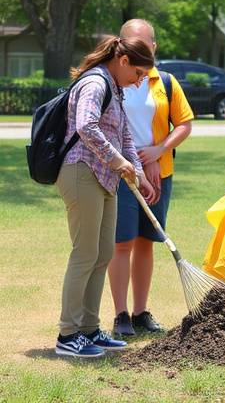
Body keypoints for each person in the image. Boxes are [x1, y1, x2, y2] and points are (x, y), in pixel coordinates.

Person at [55, 36, 157, 358]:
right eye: (139, 73)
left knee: (102, 255)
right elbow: (86, 125)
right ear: (124, 61)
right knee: (85, 254)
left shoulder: (116, 88)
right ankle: (68, 334)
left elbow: (124, 135)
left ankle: (88, 328)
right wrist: (119, 162)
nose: (140, 82)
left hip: (106, 179)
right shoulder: (96, 82)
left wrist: (138, 174)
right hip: (81, 172)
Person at [108, 19, 194, 336]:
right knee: (122, 243)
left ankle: (141, 312)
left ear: (154, 48)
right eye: (132, 44)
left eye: (145, 46)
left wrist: (159, 150)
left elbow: (184, 124)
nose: (139, 51)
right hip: (121, 174)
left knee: (147, 242)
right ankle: (120, 315)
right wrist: (136, 162)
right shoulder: (112, 79)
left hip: (159, 174)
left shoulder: (165, 82)